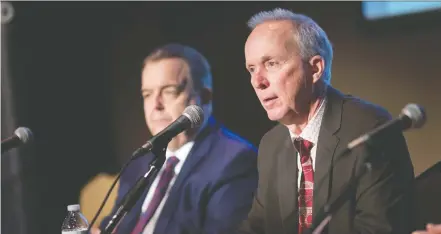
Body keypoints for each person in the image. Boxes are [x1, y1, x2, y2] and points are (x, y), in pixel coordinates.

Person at [238, 8, 415, 234]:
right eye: (251, 69)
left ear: (315, 68)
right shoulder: (271, 145)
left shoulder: (370, 130)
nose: (257, 81)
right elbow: (257, 227)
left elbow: (380, 229)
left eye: (271, 63)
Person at [94, 44, 258, 234]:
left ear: (204, 97)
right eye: (147, 94)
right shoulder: (140, 161)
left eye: (169, 91)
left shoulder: (235, 161)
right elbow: (114, 225)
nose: (156, 105)